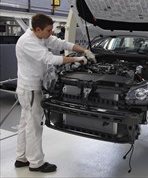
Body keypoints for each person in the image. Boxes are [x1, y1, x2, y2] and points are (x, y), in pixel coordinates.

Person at [14, 13, 96, 173]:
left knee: (26, 123)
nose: (51, 33)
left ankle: (21, 158)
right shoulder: (27, 42)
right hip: (30, 88)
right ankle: (36, 163)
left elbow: (61, 44)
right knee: (34, 126)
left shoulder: (41, 36)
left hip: (32, 87)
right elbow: (50, 59)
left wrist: (84, 50)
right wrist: (77, 59)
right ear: (38, 29)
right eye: (49, 30)